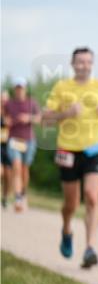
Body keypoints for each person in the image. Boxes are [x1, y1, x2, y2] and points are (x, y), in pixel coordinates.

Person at [42, 47, 98, 269]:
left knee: (92, 195)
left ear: (92, 64)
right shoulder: (61, 87)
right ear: (72, 63)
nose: (83, 66)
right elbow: (45, 118)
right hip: (67, 150)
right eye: (79, 62)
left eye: (88, 62)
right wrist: (65, 114)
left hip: (95, 148)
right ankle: (67, 229)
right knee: (71, 203)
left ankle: (90, 248)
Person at [4, 78, 41, 212]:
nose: (19, 90)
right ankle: (18, 198)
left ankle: (23, 193)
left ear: (25, 89)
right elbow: (4, 116)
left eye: (21, 88)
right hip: (14, 139)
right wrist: (5, 120)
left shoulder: (32, 102)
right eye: (17, 88)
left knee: (25, 170)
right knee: (16, 167)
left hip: (29, 140)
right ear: (14, 89)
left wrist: (28, 118)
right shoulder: (9, 103)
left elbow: (39, 118)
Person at [1, 89, 11, 210]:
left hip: (8, 145)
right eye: (1, 100)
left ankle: (5, 198)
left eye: (5, 100)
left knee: (8, 175)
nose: (3, 102)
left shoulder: (11, 113)